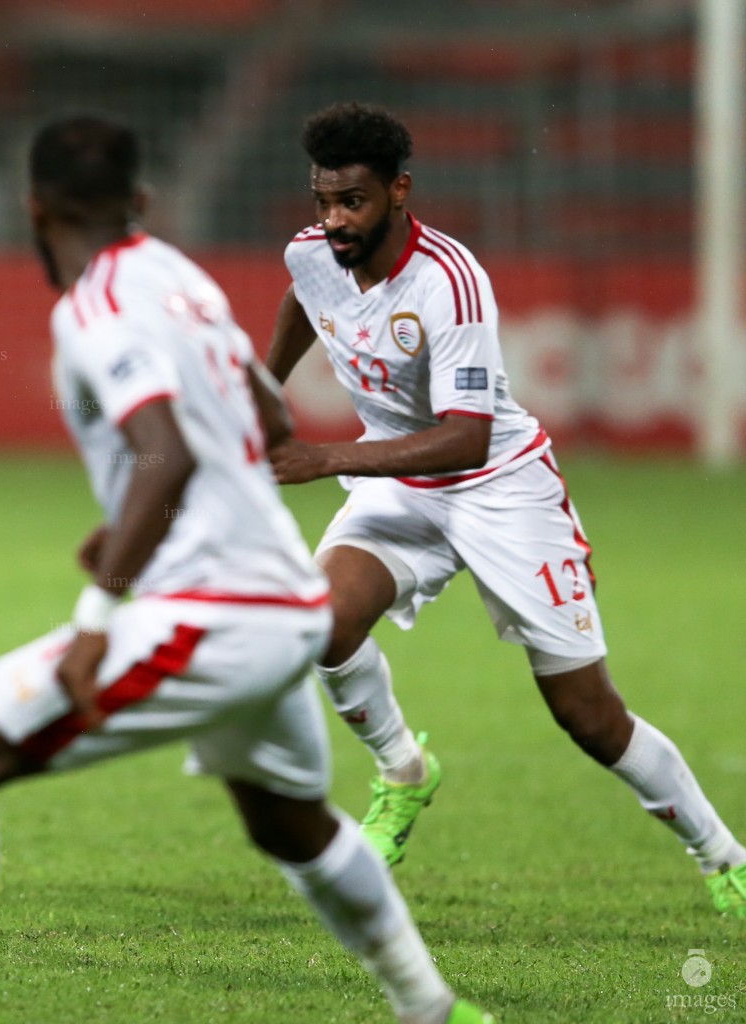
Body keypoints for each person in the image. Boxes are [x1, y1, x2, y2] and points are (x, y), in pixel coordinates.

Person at [0, 116, 491, 1024]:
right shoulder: (179, 277)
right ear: (139, 202)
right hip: (285, 601)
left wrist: (99, 615)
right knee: (289, 824)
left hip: (216, 617)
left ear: (35, 209)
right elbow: (264, 411)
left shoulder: (91, 306)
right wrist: (150, 519)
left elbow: (163, 450)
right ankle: (432, 1008)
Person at [265, 102, 746, 917]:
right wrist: (259, 387)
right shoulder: (314, 256)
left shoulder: (449, 282)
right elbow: (301, 298)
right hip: (396, 478)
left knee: (588, 717)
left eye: (354, 201)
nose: (335, 221)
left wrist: (322, 457)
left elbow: (465, 441)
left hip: (497, 487)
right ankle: (404, 772)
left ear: (400, 192)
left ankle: (723, 855)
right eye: (323, 202)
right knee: (320, 622)